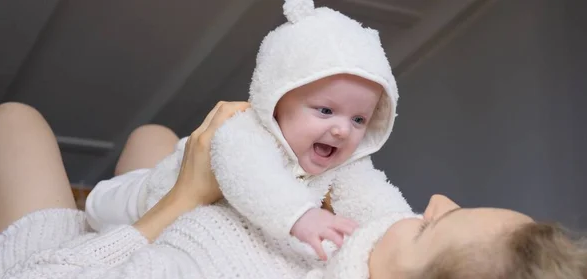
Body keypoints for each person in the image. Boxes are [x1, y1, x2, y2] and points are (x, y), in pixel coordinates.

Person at [0, 101, 587, 279]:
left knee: (16, 123)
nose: (434, 202)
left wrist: (181, 201)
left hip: (54, 278)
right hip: (177, 249)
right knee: (151, 134)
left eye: (432, 227)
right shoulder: (362, 276)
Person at [85, 0, 413, 261]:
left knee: (151, 136)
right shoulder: (246, 131)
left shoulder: (347, 162)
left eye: (359, 119)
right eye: (325, 111)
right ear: (277, 100)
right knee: (98, 211)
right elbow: (253, 178)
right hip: (144, 200)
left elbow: (373, 199)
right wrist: (301, 216)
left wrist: (408, 228)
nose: (342, 130)